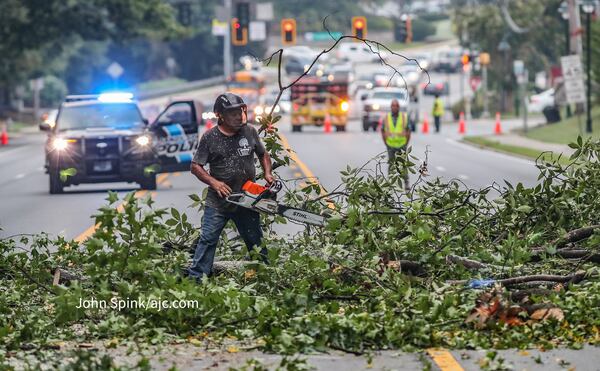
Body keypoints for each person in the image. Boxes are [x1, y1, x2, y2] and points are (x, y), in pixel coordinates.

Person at [188, 92, 274, 279]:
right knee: (208, 239)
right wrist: (214, 182)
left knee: (255, 241)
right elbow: (195, 166)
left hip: (246, 200)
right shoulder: (210, 137)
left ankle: (266, 277)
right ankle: (196, 280)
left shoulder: (249, 131)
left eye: (239, 111)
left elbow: (263, 154)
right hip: (218, 202)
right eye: (232, 113)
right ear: (220, 115)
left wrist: (267, 173)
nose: (238, 116)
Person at [380, 99, 411, 190]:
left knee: (403, 165)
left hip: (402, 145)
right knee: (391, 164)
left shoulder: (403, 117)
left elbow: (408, 131)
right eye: (393, 106)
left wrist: (406, 143)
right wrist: (386, 143)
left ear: (398, 107)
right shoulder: (386, 117)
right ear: (391, 107)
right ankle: (390, 184)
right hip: (390, 145)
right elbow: (382, 131)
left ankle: (406, 183)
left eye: (396, 106)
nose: (394, 107)